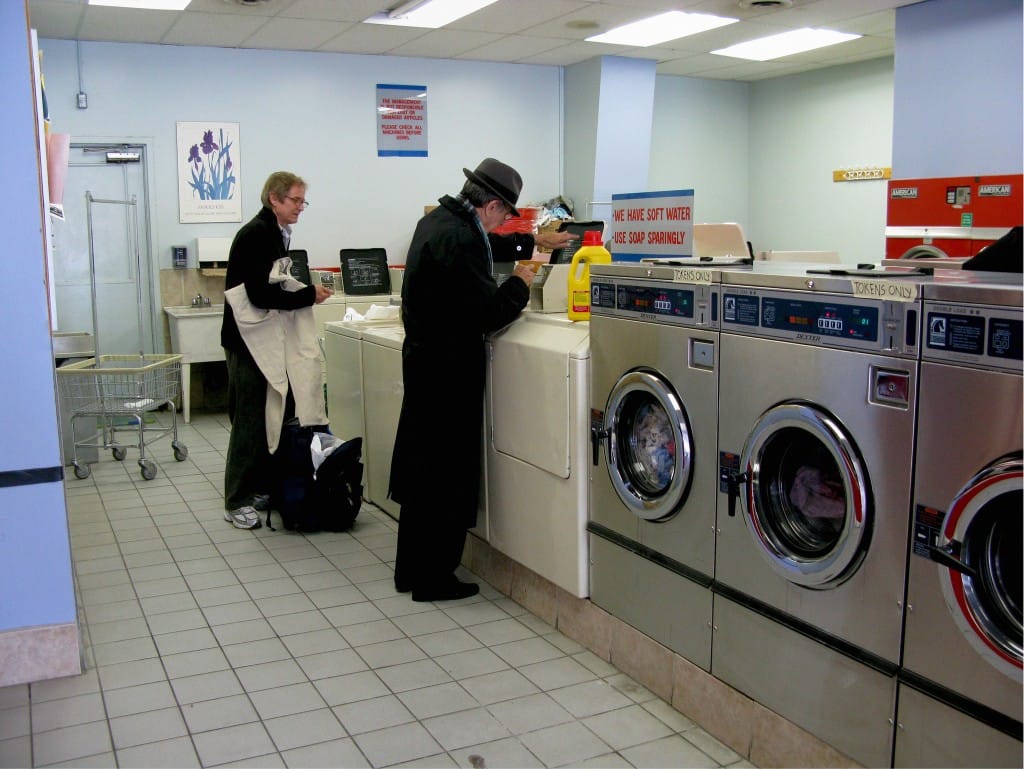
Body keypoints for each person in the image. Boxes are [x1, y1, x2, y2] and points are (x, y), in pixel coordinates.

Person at [388, 158, 576, 601]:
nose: (504, 223)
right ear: (491, 205)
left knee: (422, 470)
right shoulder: (461, 238)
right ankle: (435, 578)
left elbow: (483, 244)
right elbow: (487, 314)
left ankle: (411, 571)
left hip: (423, 364)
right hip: (450, 374)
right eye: (506, 215)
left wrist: (533, 240)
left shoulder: (436, 220)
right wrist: (521, 281)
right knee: (447, 473)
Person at [220, 171, 332, 529]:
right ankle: (236, 500)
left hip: (263, 338)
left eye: (303, 201)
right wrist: (307, 295)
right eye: (295, 200)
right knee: (251, 419)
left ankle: (260, 486)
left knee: (274, 413)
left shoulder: (275, 233)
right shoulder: (258, 234)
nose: (301, 207)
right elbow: (258, 294)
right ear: (274, 198)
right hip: (248, 341)